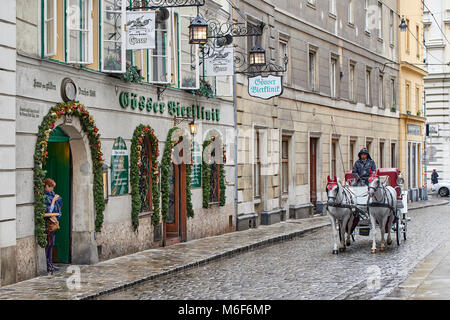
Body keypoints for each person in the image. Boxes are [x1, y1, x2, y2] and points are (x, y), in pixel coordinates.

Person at [44, 178, 62, 273]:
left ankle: (50, 263)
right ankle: (48, 264)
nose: (52, 190)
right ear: (46, 186)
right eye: (51, 187)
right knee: (49, 244)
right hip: (48, 223)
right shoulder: (44, 196)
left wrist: (56, 200)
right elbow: (49, 210)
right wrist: (53, 201)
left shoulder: (51, 194)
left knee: (51, 244)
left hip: (53, 222)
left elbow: (58, 207)